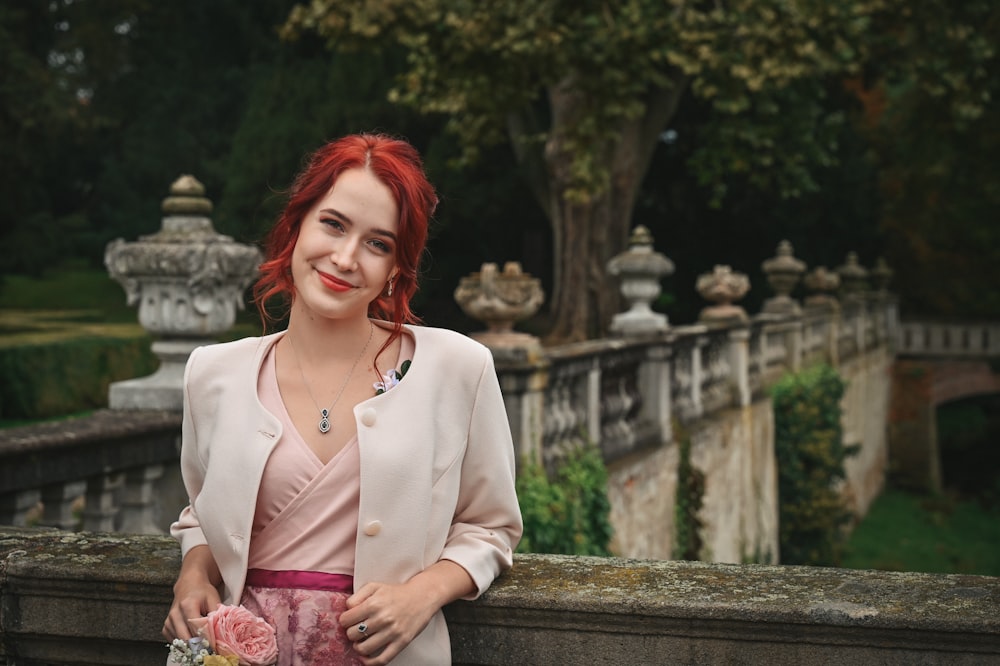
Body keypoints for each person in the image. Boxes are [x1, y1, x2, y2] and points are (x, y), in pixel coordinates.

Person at [162, 133, 523, 665]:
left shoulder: (458, 368)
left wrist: (422, 595)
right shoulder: (212, 374)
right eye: (333, 224)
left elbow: (492, 528)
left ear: (397, 267)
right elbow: (203, 510)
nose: (346, 257)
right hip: (239, 652)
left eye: (378, 243)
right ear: (296, 224)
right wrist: (193, 573)